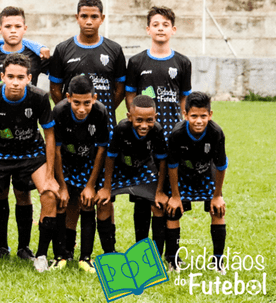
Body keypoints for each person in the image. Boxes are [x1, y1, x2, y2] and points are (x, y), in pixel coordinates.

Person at [0, 54, 62, 272]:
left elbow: (49, 135)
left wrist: (50, 176)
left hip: (30, 153)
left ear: (29, 78)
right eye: (10, 76)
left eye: (20, 77)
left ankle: (37, 254)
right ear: (2, 76)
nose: (15, 81)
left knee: (49, 194)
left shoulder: (40, 97)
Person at [0, 6, 51, 262]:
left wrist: (36, 44)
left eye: (17, 26)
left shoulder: (36, 54)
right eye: (7, 26)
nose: (12, 30)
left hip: (27, 145)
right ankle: (0, 246)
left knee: (23, 193)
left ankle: (25, 247)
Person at [98, 95, 168, 260]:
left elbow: (163, 161)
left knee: (158, 206)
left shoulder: (157, 130)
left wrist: (159, 191)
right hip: (120, 170)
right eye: (139, 120)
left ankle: (156, 257)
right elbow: (110, 157)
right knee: (103, 203)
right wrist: (106, 188)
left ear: (155, 118)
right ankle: (109, 253)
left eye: (149, 120)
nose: (144, 125)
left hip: (143, 169)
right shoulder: (121, 129)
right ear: (130, 117)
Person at [52, 74, 110, 273]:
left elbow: (102, 149)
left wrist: (90, 185)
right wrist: (62, 186)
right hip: (66, 164)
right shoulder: (59, 112)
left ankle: (85, 257)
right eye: (76, 102)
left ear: (94, 98)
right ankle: (62, 254)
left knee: (87, 203)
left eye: (87, 102)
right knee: (63, 203)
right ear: (68, 97)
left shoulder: (101, 112)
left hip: (89, 164)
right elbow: (56, 150)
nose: (82, 108)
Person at [165, 92, 228, 273]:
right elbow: (172, 166)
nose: (198, 121)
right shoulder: (177, 134)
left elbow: (221, 166)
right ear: (185, 115)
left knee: (217, 210)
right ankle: (173, 260)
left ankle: (218, 262)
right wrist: (175, 196)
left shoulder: (216, 133)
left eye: (203, 116)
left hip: (206, 175)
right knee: (173, 211)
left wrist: (217, 196)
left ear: (210, 114)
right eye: (194, 116)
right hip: (182, 176)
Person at [48, 0, 126, 130]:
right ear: (77, 18)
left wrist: (106, 108)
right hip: (72, 123)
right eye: (84, 16)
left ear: (102, 19)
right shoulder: (62, 49)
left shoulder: (114, 49)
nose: (89, 21)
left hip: (105, 123)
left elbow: (120, 88)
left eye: (94, 17)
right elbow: (55, 88)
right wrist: (69, 109)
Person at [125, 6, 192, 136]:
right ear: (148, 30)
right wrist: (137, 118)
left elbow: (184, 96)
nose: (160, 28)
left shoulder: (183, 62)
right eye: (155, 25)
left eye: (165, 25)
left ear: (173, 30)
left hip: (173, 129)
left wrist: (184, 123)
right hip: (144, 128)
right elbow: (130, 94)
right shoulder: (136, 61)